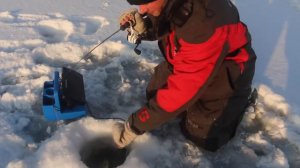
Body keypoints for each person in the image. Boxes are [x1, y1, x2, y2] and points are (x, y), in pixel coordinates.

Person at [112, 0, 256, 152]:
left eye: (147, 2)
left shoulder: (203, 22)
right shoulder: (172, 4)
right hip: (189, 60)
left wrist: (135, 125)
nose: (141, 10)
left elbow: (181, 91)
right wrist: (145, 28)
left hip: (225, 71)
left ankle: (238, 104)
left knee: (202, 136)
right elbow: (169, 22)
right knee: (154, 95)